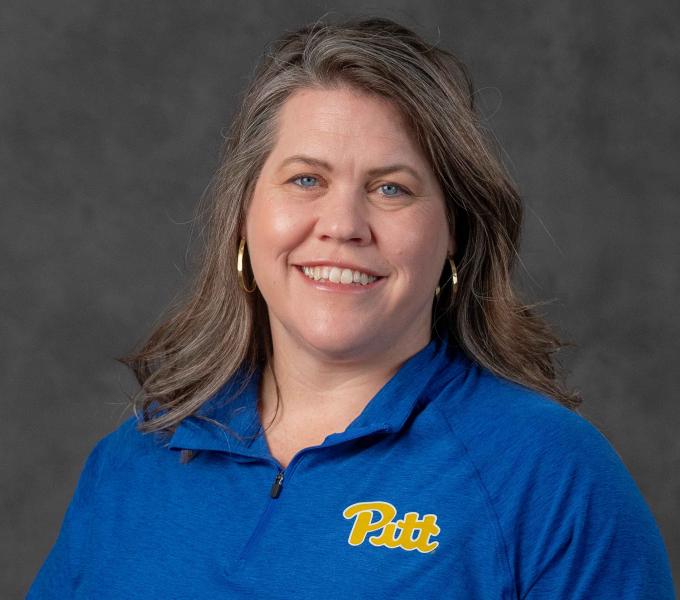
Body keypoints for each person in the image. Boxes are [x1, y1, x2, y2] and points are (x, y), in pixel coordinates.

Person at [28, 16, 675, 599]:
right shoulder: (133, 463)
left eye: (390, 188)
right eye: (306, 179)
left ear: (452, 233)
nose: (343, 224)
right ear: (245, 216)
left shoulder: (546, 475)